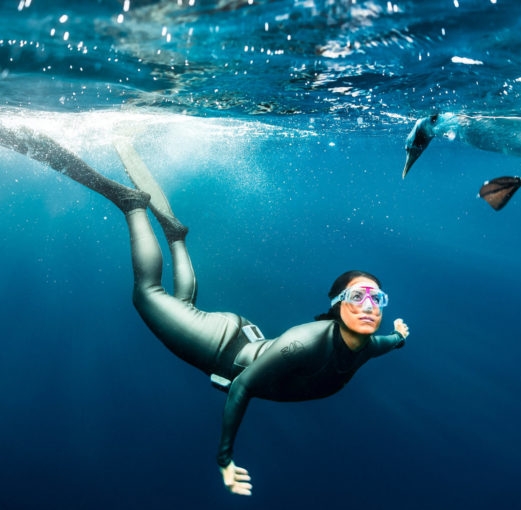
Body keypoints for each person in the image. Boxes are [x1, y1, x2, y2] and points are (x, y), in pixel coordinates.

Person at [0, 124, 410, 496]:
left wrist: (401, 337)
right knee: (146, 294)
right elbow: (243, 387)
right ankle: (131, 206)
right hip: (224, 350)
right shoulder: (303, 343)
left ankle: (176, 238)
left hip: (243, 336)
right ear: (335, 307)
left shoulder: (368, 344)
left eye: (377, 298)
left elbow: (388, 341)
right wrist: (225, 460)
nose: (369, 305)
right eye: (357, 296)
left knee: (182, 308)